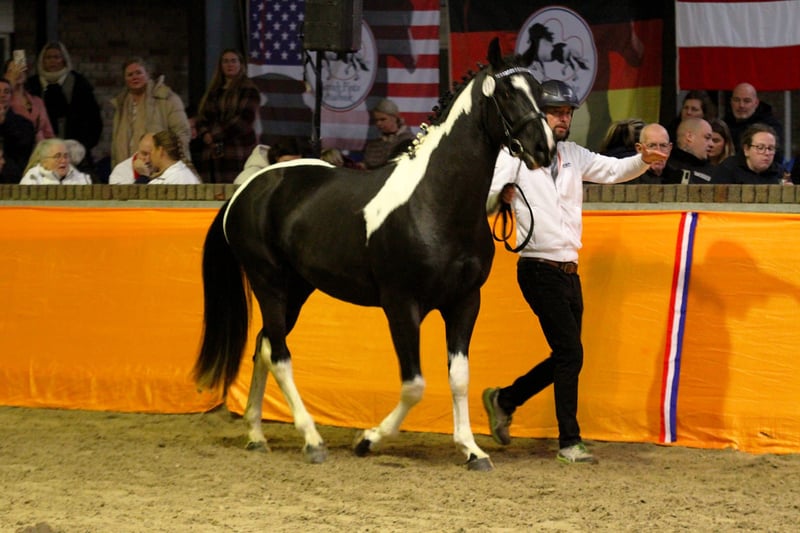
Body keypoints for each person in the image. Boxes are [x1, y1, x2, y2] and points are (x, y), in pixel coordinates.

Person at [482, 80, 667, 464]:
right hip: (537, 267)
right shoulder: (513, 155)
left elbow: (613, 170)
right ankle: (568, 440)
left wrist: (643, 161)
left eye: (567, 113)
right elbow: (486, 196)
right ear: (539, 114)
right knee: (570, 353)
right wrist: (500, 196)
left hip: (568, 269)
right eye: (556, 112)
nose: (564, 118)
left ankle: (506, 399)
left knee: (568, 356)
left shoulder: (573, 154)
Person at [24, 42, 102, 170]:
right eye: (48, 57)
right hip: (41, 149)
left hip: (75, 149)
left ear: (64, 60)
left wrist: (83, 145)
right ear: (42, 61)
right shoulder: (32, 85)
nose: (52, 61)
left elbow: (93, 118)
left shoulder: (79, 83)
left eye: (56, 57)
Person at [110, 58, 191, 169]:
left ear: (147, 74)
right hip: (128, 170)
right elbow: (116, 144)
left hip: (160, 169)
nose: (134, 77)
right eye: (130, 74)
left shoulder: (166, 99)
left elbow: (182, 133)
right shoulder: (121, 104)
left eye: (138, 73)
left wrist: (168, 163)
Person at [195, 49, 260, 183]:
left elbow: (243, 121)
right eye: (225, 61)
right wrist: (205, 133)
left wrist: (214, 135)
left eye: (233, 61)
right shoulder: (214, 91)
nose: (229, 65)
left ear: (241, 64)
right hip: (212, 154)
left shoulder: (248, 90)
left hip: (236, 151)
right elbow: (202, 117)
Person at [723, 83, 783, 156]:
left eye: (747, 101)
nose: (741, 105)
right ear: (731, 102)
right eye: (736, 100)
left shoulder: (770, 126)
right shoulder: (724, 124)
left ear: (756, 103)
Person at [711, 123, 782, 185]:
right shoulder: (727, 170)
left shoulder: (779, 173)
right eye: (760, 148)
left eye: (770, 148)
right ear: (746, 150)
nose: (767, 153)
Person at [4, 59, 54, 142]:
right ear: (5, 75)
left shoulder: (38, 101)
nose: (17, 73)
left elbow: (48, 133)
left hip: (40, 147)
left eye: (21, 69)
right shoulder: (4, 100)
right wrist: (9, 84)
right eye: (12, 71)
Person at [361, 98, 415, 169]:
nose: (378, 123)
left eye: (383, 119)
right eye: (376, 120)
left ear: (395, 118)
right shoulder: (373, 145)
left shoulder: (411, 142)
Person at [660, 117, 714, 184]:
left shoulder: (715, 173)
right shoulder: (663, 168)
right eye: (707, 137)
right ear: (689, 137)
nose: (712, 144)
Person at [19, 137, 92, 185]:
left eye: (66, 156)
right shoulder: (32, 179)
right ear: (44, 161)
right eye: (57, 156)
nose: (63, 160)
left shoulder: (82, 178)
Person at [0, 94, 36, 183]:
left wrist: (5, 122)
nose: (2, 95)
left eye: (6, 91)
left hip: (14, 176)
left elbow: (24, 148)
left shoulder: (24, 124)